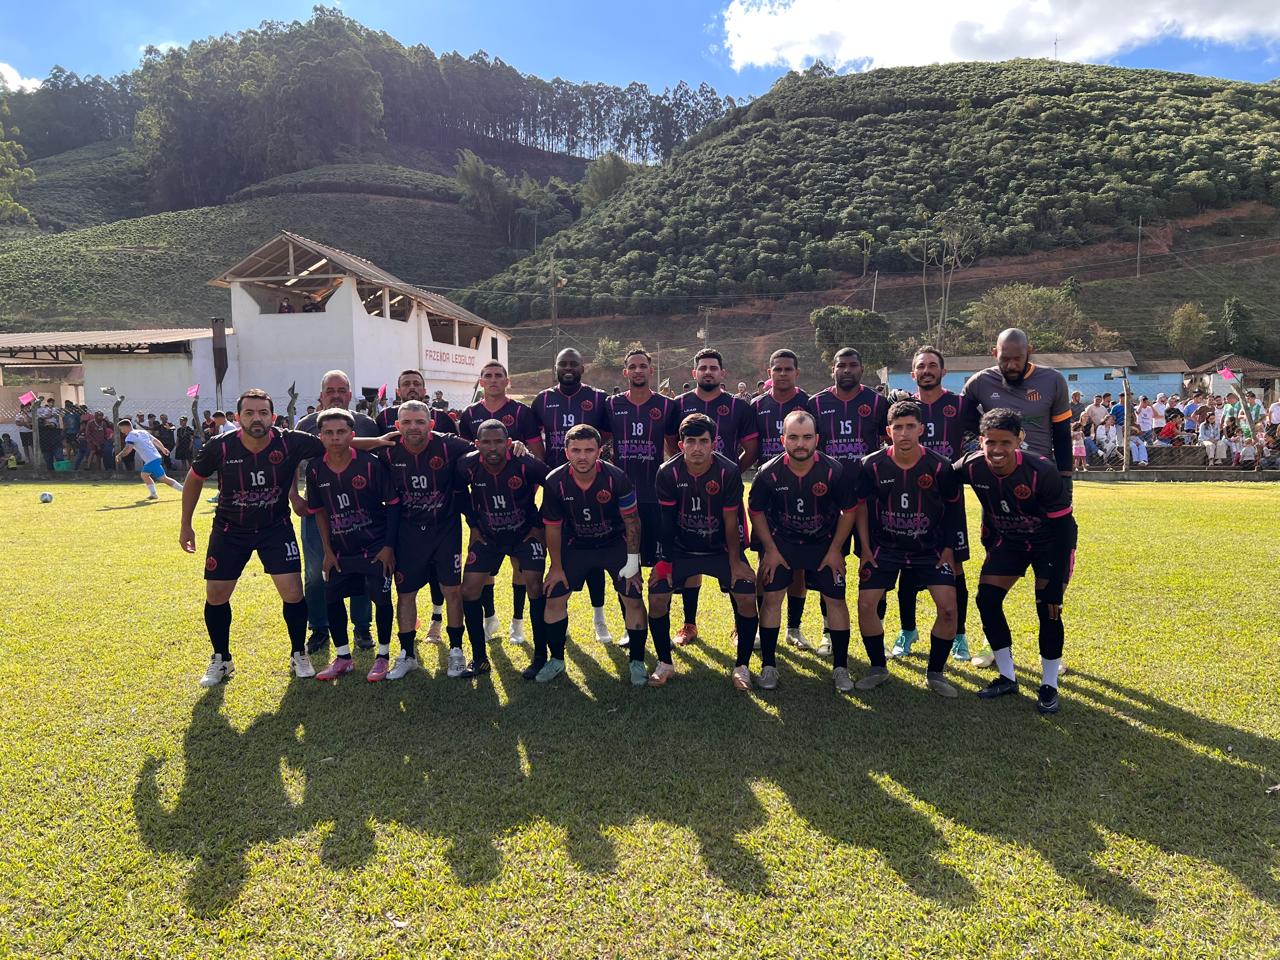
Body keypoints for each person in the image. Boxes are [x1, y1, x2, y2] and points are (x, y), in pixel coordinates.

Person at [180, 389, 340, 686]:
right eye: (250, 413)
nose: (257, 418)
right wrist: (186, 525)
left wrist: (381, 443)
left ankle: (297, 653)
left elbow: (338, 445)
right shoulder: (220, 446)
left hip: (274, 528)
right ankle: (221, 658)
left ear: (273, 417)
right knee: (216, 595)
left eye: (263, 413)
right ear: (238, 417)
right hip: (230, 530)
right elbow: (193, 480)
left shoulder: (290, 441)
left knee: (293, 593)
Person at [956, 408, 1077, 715]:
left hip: (1050, 544)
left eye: (1005, 442)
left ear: (1019, 440)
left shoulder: (1041, 471)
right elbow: (939, 476)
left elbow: (1064, 528)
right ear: (981, 441)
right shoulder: (971, 466)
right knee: (987, 600)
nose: (997, 450)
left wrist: (1055, 583)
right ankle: (1007, 676)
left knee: (1048, 609)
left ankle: (1049, 684)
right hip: (1009, 542)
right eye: (990, 442)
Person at [853, 400, 962, 697]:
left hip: (930, 550)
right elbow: (860, 509)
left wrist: (951, 549)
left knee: (949, 609)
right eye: (898, 428)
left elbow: (954, 509)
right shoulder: (871, 465)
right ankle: (878, 667)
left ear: (921, 429)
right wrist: (864, 548)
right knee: (866, 605)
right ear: (888, 431)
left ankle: (936, 673)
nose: (904, 433)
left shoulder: (939, 466)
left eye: (910, 427)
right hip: (884, 548)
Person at [748, 410, 858, 692]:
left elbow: (850, 510)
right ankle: (769, 666)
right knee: (772, 598)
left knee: (836, 600)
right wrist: (770, 549)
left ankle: (841, 668)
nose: (800, 444)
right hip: (783, 544)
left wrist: (836, 550)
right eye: (794, 437)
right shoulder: (769, 472)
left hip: (823, 544)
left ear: (817, 439)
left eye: (807, 437)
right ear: (782, 439)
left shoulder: (834, 470)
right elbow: (755, 510)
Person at [648, 413, 758, 686]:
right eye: (691, 441)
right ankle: (664, 663)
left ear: (713, 444)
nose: (697, 448)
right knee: (658, 596)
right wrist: (664, 563)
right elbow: (666, 522)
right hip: (682, 549)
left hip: (719, 549)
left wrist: (735, 561)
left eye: (703, 441)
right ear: (681, 444)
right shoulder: (667, 472)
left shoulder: (728, 471)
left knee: (745, 594)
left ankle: (742, 666)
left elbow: (731, 521)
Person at [538, 424, 646, 683]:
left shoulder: (615, 477)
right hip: (577, 544)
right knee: (554, 597)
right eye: (576, 450)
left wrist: (633, 561)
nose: (582, 456)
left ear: (600, 450)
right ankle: (556, 660)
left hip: (613, 544)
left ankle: (638, 661)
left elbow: (632, 521)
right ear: (566, 452)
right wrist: (555, 566)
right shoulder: (555, 481)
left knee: (632, 596)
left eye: (589, 450)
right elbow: (552, 528)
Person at [668, 348, 760, 647]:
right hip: (686, 493)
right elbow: (671, 443)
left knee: (731, 557)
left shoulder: (738, 407)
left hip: (725, 497)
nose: (708, 372)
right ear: (694, 373)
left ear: (723, 373)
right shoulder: (678, 404)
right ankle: (689, 624)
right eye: (702, 368)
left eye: (713, 368)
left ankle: (738, 627)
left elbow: (752, 448)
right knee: (691, 559)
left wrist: (729, 475)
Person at [381, 400, 474, 681]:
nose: (413, 427)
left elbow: (487, 447)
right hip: (408, 533)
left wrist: (515, 446)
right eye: (406, 422)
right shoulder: (388, 449)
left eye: (420, 422)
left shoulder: (448, 445)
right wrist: (375, 439)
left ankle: (456, 651)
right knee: (405, 593)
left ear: (431, 424)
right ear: (397, 426)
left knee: (452, 591)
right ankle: (407, 654)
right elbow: (345, 443)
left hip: (445, 530)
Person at [306, 409, 400, 681]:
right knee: (333, 598)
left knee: (381, 599)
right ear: (320, 436)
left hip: (375, 547)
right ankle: (343, 658)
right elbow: (319, 510)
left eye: (341, 432)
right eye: (329, 433)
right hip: (340, 550)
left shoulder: (370, 463)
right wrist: (327, 550)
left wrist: (388, 547)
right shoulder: (315, 468)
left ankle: (382, 656)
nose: (335, 437)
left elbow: (393, 505)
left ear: (352, 435)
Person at [893, 346, 973, 662]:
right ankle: (908, 630)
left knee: (955, 566)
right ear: (913, 374)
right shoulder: (902, 407)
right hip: (909, 498)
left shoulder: (960, 405)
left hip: (948, 497)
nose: (926, 370)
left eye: (932, 365)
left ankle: (960, 635)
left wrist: (963, 466)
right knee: (906, 564)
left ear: (943, 371)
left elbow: (984, 436)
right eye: (920, 366)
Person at [455, 419, 551, 678]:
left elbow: (554, 486)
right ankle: (479, 658)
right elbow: (457, 490)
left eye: (498, 441)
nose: (493, 447)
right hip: (488, 537)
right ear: (477, 444)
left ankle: (540, 656)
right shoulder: (468, 464)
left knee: (534, 585)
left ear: (509, 443)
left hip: (524, 535)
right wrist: (473, 524)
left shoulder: (525, 463)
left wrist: (539, 525)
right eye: (486, 442)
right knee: (469, 589)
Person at [295, 371, 383, 654]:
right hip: (318, 510)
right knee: (316, 572)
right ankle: (319, 628)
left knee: (360, 569)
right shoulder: (306, 425)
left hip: (361, 514)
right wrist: (292, 496)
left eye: (341, 389)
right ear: (321, 395)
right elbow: (289, 461)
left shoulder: (368, 424)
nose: (336, 394)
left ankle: (362, 628)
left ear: (349, 394)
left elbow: (382, 462)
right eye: (330, 389)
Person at [458, 360, 545, 643]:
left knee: (521, 569)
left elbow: (537, 455)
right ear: (481, 381)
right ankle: (490, 617)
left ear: (507, 381)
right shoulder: (470, 414)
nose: (494, 380)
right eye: (488, 376)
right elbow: (466, 457)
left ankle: (518, 622)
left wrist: (525, 493)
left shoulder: (522, 411)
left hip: (519, 501)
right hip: (486, 505)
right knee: (484, 569)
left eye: (499, 376)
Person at [532, 348, 614, 644]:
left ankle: (599, 617)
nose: (568, 368)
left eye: (573, 364)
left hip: (591, 486)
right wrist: (546, 475)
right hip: (558, 488)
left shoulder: (599, 397)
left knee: (594, 552)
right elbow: (535, 442)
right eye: (563, 364)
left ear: (583, 367)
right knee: (559, 552)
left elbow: (607, 434)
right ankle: (560, 617)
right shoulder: (542, 399)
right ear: (555, 367)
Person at [603, 348, 678, 649]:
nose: (637, 371)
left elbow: (674, 450)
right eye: (632, 367)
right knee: (625, 566)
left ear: (651, 370)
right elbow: (599, 441)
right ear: (625, 372)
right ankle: (628, 626)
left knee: (661, 566)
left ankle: (662, 627)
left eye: (642, 366)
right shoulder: (611, 405)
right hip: (622, 500)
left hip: (656, 499)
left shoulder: (666, 406)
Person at [745, 349, 815, 651]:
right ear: (769, 372)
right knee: (766, 562)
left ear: (797, 372)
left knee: (799, 565)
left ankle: (794, 628)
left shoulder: (809, 403)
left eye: (788, 369)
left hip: (804, 490)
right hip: (769, 492)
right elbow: (751, 446)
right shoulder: (757, 405)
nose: (782, 373)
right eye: (777, 369)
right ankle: (764, 626)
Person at [115, 419, 184, 498]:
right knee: (144, 475)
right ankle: (153, 494)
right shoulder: (142, 432)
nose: (121, 431)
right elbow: (155, 440)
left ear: (125, 427)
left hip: (151, 460)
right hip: (155, 457)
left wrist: (119, 455)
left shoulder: (130, 436)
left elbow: (128, 449)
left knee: (163, 478)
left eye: (121, 429)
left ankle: (184, 490)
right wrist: (163, 448)